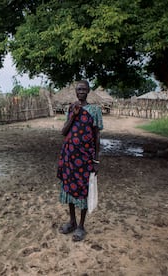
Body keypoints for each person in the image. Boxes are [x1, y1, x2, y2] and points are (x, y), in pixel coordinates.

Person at [57, 80, 103, 242]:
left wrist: (96, 160)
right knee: (69, 189)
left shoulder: (94, 110)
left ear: (89, 91)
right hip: (69, 156)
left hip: (85, 158)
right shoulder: (71, 108)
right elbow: (64, 131)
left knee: (83, 190)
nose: (81, 91)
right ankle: (72, 221)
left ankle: (81, 226)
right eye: (78, 89)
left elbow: (97, 136)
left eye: (83, 89)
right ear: (75, 92)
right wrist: (74, 114)